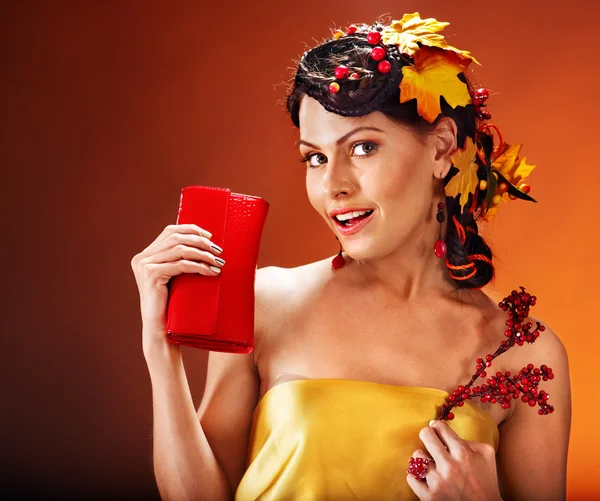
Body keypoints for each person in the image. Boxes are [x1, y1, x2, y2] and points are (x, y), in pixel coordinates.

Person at [131, 12, 571, 501]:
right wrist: (159, 350)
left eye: (362, 148)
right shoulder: (265, 301)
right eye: (315, 157)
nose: (332, 185)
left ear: (442, 149)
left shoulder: (523, 353)